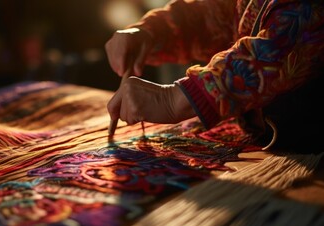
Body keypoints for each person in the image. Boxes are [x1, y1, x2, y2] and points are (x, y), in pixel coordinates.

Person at [105, 0, 324, 153]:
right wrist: (151, 32)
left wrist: (173, 101)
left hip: (307, 158)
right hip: (263, 142)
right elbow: (219, 15)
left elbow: (280, 47)